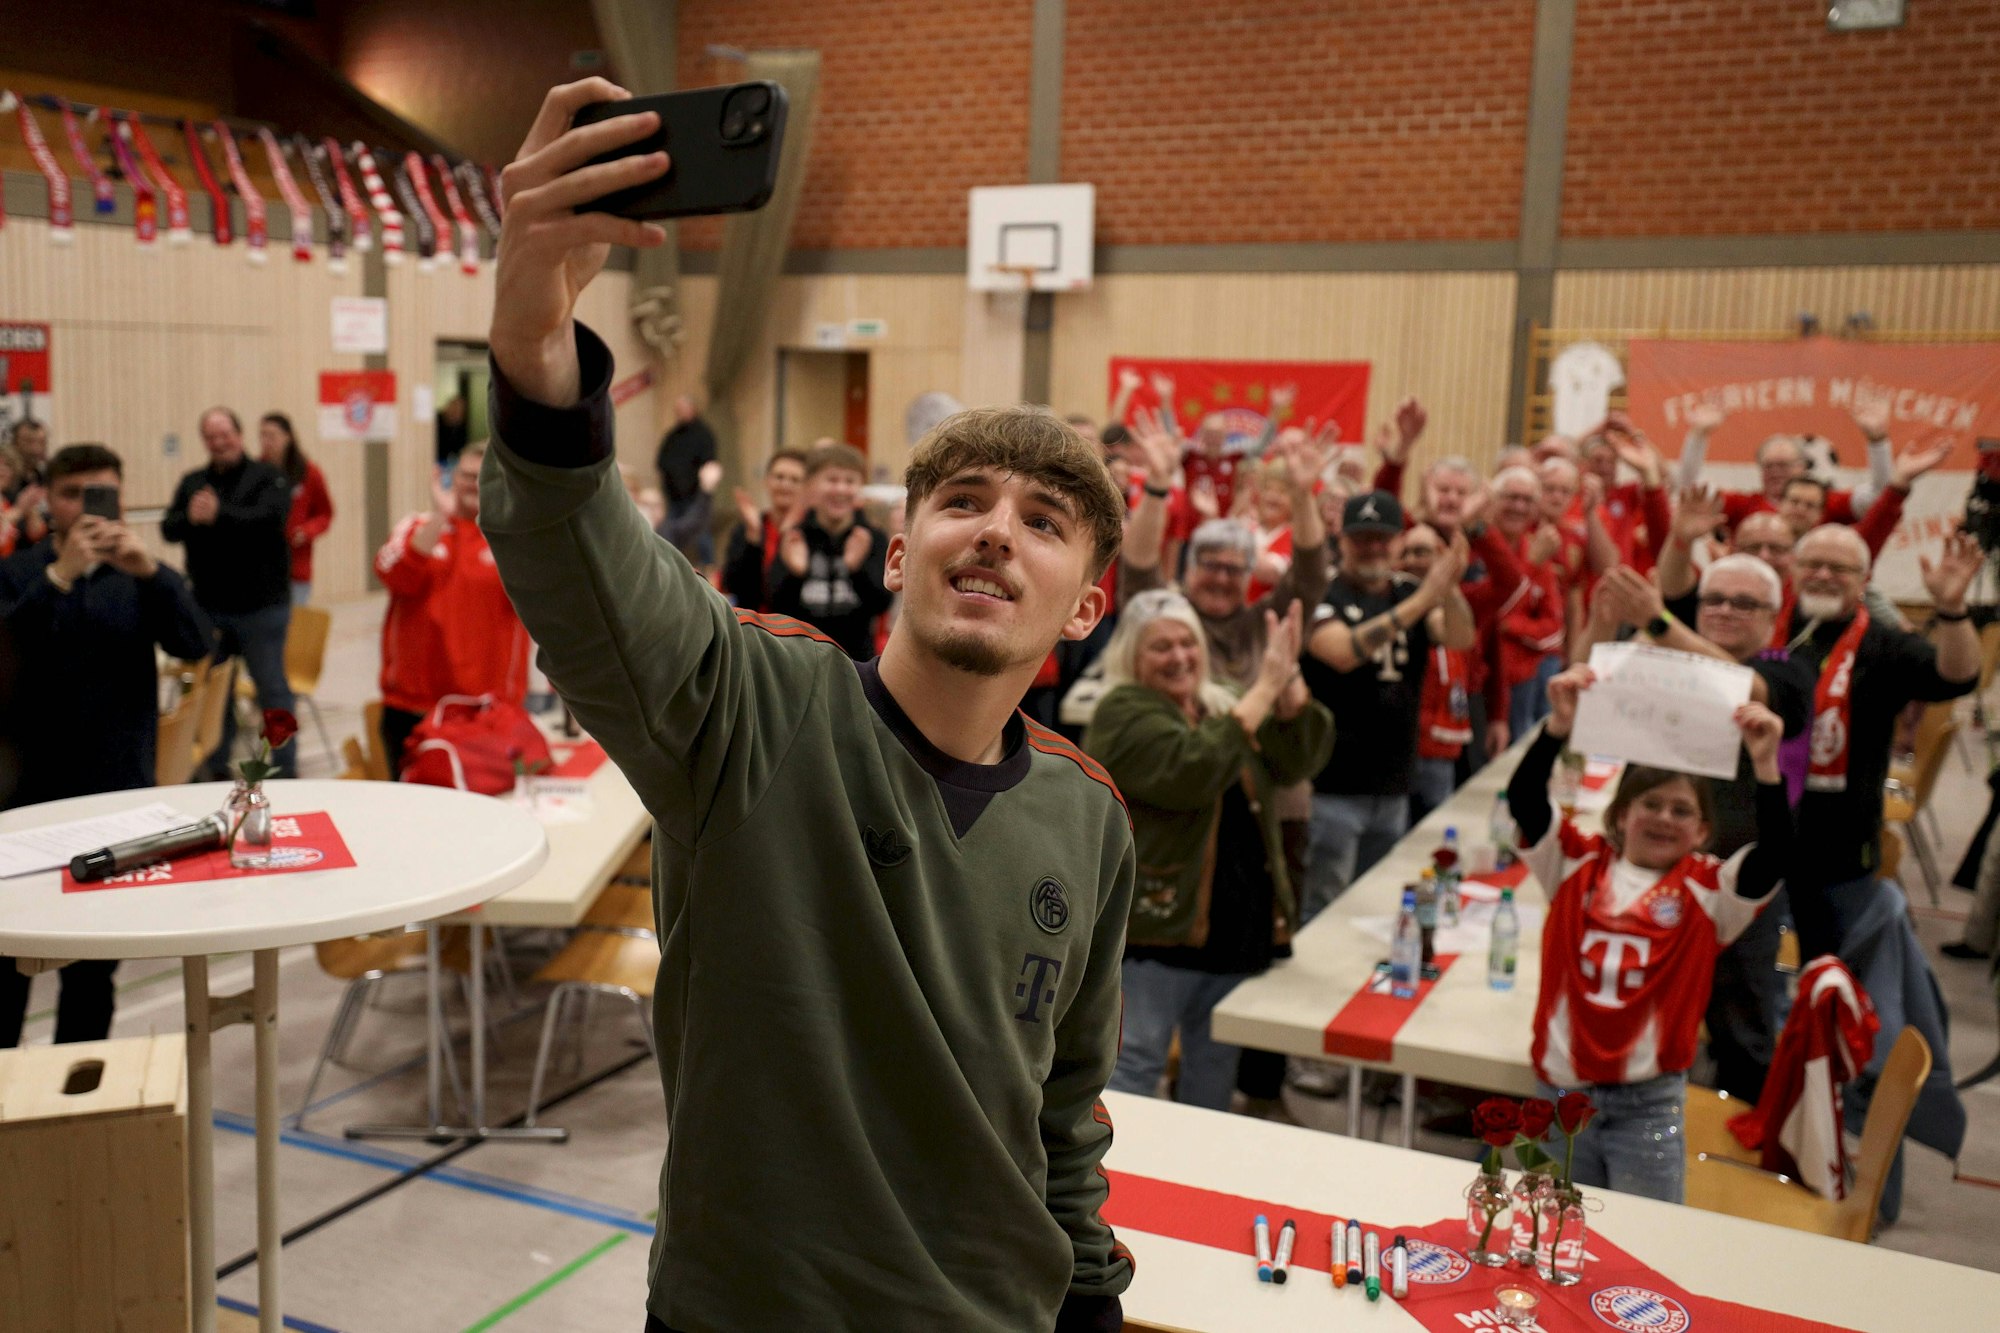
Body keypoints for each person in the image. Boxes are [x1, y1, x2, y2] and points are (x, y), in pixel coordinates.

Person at [479, 78, 1134, 1333]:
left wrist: (1091, 1298)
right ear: (899, 554)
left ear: (1085, 607)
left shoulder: (1087, 813)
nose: (995, 532)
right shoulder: (750, 711)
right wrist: (532, 353)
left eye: (1041, 523)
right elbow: (585, 567)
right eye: (962, 502)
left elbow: (1064, 1108)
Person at [1512, 664, 1792, 1203]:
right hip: (1558, 1094)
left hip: (1647, 1107)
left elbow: (1775, 855)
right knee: (1548, 1241)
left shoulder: (1711, 890)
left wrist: (1766, 766)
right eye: (1650, 805)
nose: (1664, 818)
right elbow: (1525, 801)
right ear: (1620, 816)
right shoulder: (1573, 863)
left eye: (1682, 810)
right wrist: (1556, 730)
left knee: (1641, 1250)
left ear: (1703, 830)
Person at [1576, 556, 1816, 1100]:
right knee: (1621, 1008)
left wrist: (1656, 621)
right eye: (1715, 600)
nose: (1726, 611)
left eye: (1744, 602)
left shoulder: (1789, 672)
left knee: (1742, 1029)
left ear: (1774, 617)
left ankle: (1738, 1152)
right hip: (1641, 875)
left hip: (1734, 885)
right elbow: (1586, 683)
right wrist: (1602, 620)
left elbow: (1742, 688)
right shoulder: (1660, 656)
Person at [1084, 592, 1331, 1111]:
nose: (1179, 657)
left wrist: (1291, 698)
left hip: (1234, 928)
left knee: (1214, 1067)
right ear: (1132, 656)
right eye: (1161, 647)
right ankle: (1111, 1183)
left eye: (1187, 643)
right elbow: (1192, 770)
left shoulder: (1220, 701)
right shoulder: (1120, 711)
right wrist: (1263, 688)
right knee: (1136, 1064)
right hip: (1159, 933)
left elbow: (1296, 763)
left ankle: (1196, 1184)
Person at [0, 444, 212, 1047]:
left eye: (102, 495)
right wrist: (58, 577)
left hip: (114, 796)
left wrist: (155, 573)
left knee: (94, 972)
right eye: (73, 495)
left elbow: (197, 643)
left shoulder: (139, 577)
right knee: (6, 968)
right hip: (23, 799)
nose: (88, 509)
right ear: (47, 499)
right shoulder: (17, 573)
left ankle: (77, 1109)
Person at [1784, 524, 1981, 960]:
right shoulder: (1771, 627)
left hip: (1840, 847)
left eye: (1839, 568)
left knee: (1828, 975)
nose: (1823, 575)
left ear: (1864, 580)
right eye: (1812, 565)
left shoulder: (1884, 644)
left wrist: (1951, 609)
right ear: (1793, 571)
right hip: (1762, 838)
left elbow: (1957, 677)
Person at [1300, 491, 1476, 919]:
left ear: (1397, 542)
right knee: (1327, 905)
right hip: (1334, 785)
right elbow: (1340, 652)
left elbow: (1459, 637)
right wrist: (1422, 599)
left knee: (1377, 904)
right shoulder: (1326, 591)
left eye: (1382, 539)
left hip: (1394, 782)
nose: (1373, 548)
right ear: (1342, 541)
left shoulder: (1409, 590)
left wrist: (1448, 588)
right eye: (1362, 539)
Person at [373, 442, 531, 777]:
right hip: (414, 709)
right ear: (450, 477)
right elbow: (393, 575)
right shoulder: (417, 527)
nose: (474, 484)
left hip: (486, 713)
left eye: (485, 477)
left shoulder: (516, 540)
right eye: (467, 475)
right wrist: (440, 518)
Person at [163, 406, 297, 779]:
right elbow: (169, 529)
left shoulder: (268, 478)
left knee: (273, 692)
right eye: (211, 436)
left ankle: (287, 768)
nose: (219, 442)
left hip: (261, 608)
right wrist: (190, 518)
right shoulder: (193, 482)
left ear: (239, 435)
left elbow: (270, 522)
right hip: (209, 606)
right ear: (205, 441)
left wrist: (219, 515)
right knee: (215, 695)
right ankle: (214, 766)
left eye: (226, 434)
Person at [1673, 402, 1892, 531]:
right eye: (1769, 466)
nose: (1775, 472)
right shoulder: (1743, 505)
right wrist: (1698, 436)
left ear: (1803, 467)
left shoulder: (1827, 502)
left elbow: (1880, 498)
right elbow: (1690, 493)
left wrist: (1878, 441)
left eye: (1784, 465)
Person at [766, 442, 894, 660]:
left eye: (850, 481)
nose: (841, 489)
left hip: (856, 660)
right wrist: (797, 573)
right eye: (832, 480)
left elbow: (882, 603)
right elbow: (775, 604)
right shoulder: (796, 536)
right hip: (801, 658)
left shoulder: (872, 537)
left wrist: (856, 569)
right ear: (811, 486)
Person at [1398, 523, 1474, 822]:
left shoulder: (1450, 605)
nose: (1414, 560)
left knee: (1433, 837)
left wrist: (1449, 584)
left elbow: (1457, 636)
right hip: (1402, 747)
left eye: (1423, 552)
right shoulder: (1390, 599)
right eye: (1406, 552)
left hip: (1440, 748)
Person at [1488, 465, 1566, 750]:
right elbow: (1484, 617)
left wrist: (1511, 626)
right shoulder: (1479, 547)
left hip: (1522, 682)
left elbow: (1554, 631)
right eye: (1511, 497)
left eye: (1527, 500)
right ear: (1493, 500)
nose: (1518, 507)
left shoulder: (1538, 555)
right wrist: (1529, 565)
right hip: (1482, 682)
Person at [258, 412, 334, 606]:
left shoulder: (309, 473)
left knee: (294, 628)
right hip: (262, 567)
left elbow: (325, 514)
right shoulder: (255, 472)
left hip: (296, 567)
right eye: (262, 435)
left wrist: (308, 531)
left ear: (288, 437)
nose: (266, 441)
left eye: (272, 436)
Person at [719, 448, 807, 611]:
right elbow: (732, 587)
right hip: (754, 627)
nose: (785, 484)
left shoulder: (812, 532)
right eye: (779, 477)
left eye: (795, 480)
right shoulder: (746, 529)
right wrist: (753, 539)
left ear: (807, 487)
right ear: (767, 481)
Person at [655, 393, 717, 563]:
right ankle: (669, 566)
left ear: (693, 409)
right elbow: (661, 461)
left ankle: (708, 568)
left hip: (695, 494)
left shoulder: (703, 434)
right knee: (668, 537)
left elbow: (709, 463)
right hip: (674, 495)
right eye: (677, 410)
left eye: (683, 409)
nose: (679, 413)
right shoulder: (672, 436)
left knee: (701, 532)